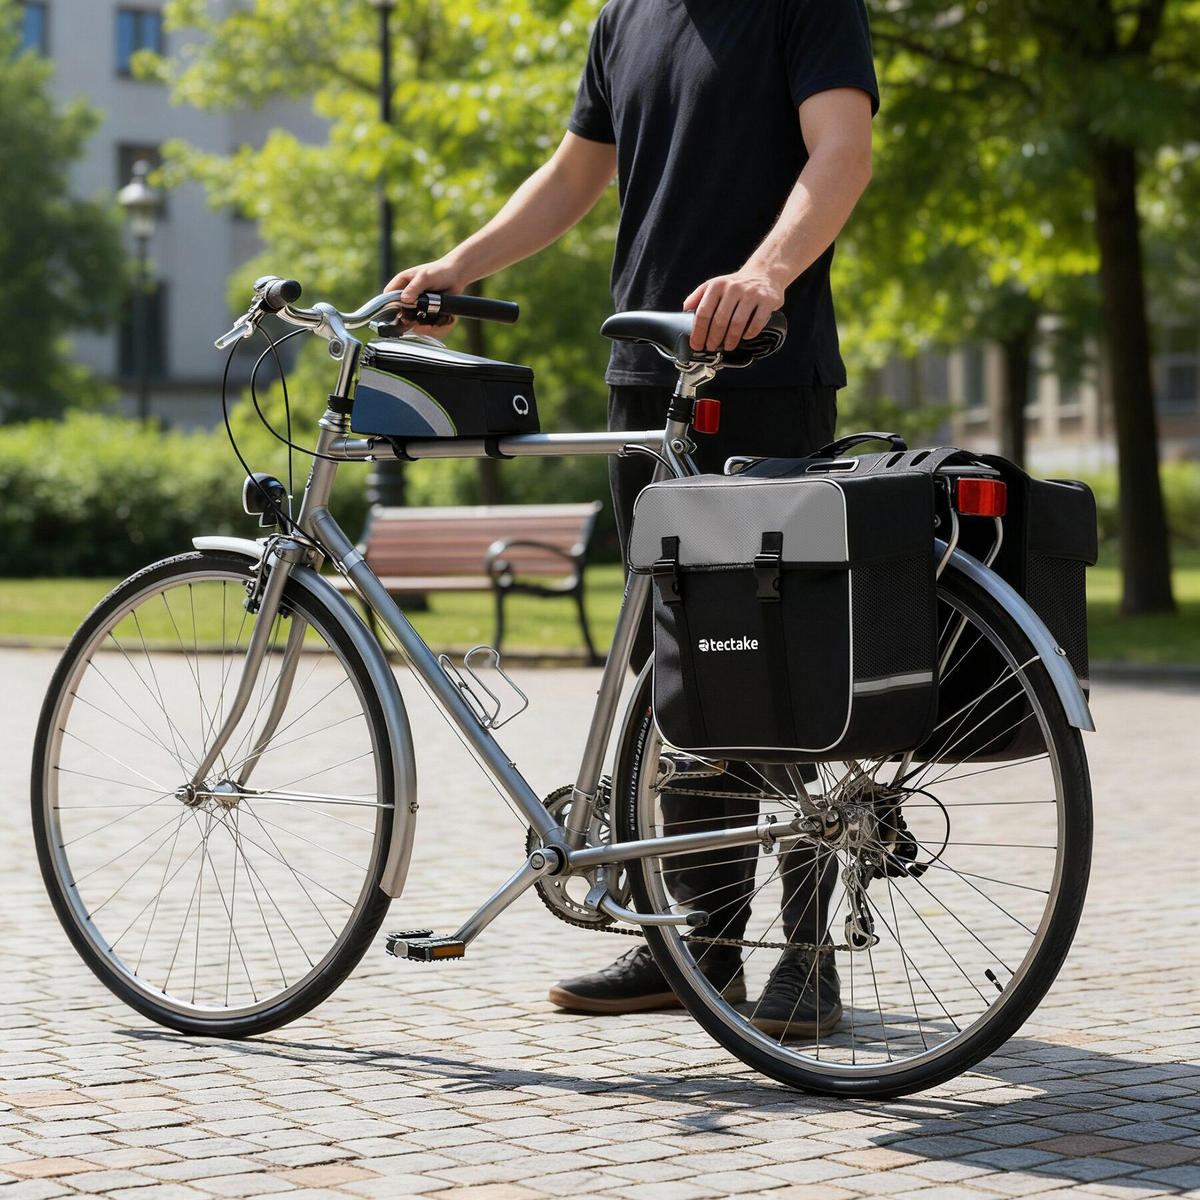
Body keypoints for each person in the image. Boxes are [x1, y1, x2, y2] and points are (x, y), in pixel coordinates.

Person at [387, 0, 879, 1035]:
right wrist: (459, 266)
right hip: (644, 375)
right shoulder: (626, 16)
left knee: (775, 654)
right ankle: (696, 949)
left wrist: (766, 274)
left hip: (763, 364)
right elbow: (574, 175)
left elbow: (841, 149)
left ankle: (810, 954)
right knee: (681, 664)